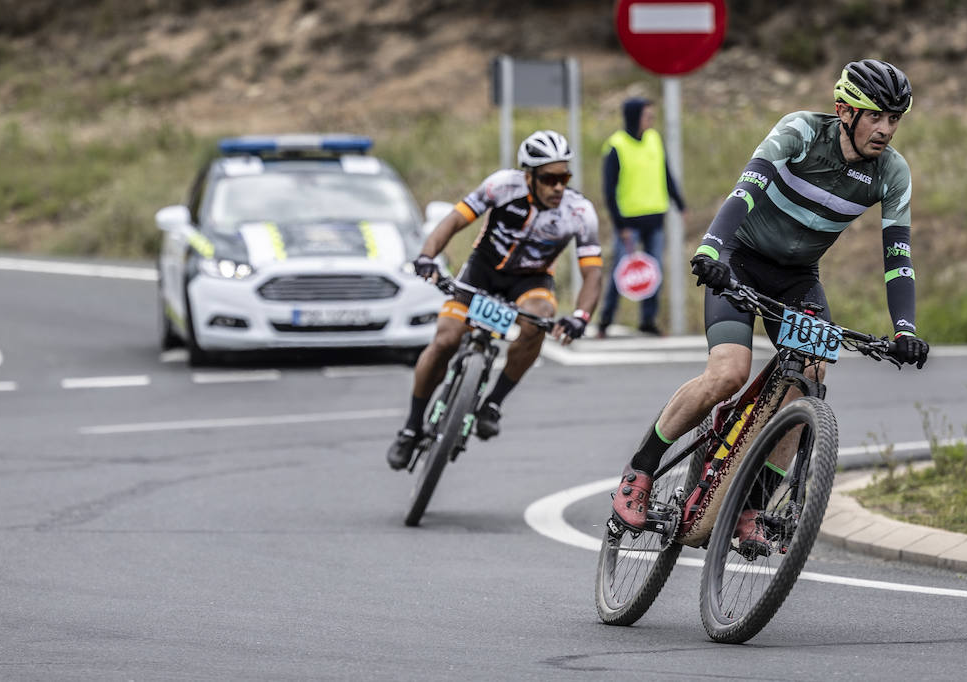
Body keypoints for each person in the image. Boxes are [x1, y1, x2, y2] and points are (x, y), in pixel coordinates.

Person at [609, 59, 931, 530]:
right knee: (727, 373)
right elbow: (747, 190)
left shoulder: (892, 173)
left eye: (894, 118)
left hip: (798, 278)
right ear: (845, 111)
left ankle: (750, 506)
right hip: (740, 261)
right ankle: (639, 471)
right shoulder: (799, 131)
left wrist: (905, 329)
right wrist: (711, 250)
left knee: (810, 380)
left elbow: (897, 257)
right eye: (876, 116)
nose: (885, 129)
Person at [387, 130, 604, 470]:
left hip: (529, 282)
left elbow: (592, 271)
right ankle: (411, 427)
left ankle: (492, 404)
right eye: (549, 179)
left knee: (540, 318)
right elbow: (455, 220)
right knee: (446, 339)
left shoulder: (579, 211)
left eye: (564, 178)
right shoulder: (502, 186)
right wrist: (428, 256)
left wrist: (580, 316)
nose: (558, 187)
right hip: (481, 272)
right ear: (528, 176)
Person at [597, 97, 686, 337]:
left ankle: (648, 320)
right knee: (622, 271)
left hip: (655, 220)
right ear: (635, 117)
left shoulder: (654, 139)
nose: (651, 120)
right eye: (647, 115)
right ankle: (605, 320)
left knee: (653, 273)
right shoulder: (616, 146)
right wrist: (619, 224)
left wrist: (680, 203)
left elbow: (666, 174)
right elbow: (609, 190)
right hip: (628, 223)